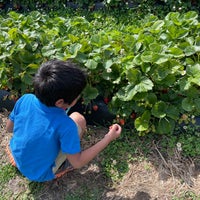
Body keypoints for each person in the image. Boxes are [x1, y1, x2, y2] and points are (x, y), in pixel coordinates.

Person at [6, 59, 122, 182]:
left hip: (18, 156)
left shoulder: (25, 99)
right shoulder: (66, 126)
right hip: (40, 173)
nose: (80, 97)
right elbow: (78, 163)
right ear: (60, 102)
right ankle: (63, 164)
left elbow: (9, 128)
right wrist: (108, 138)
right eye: (78, 96)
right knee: (79, 119)